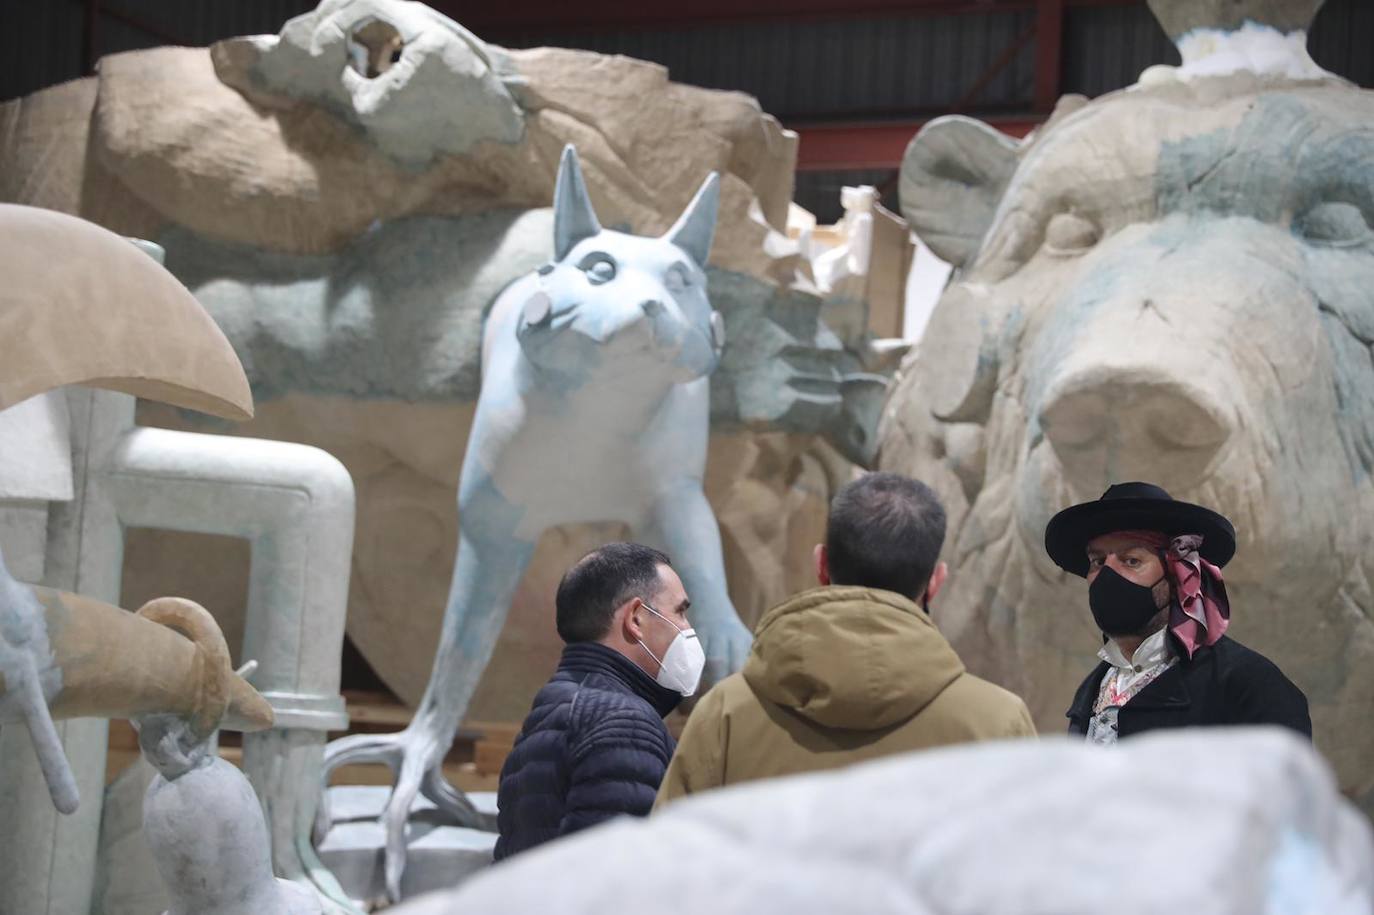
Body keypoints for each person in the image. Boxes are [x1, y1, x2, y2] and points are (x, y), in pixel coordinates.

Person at [655, 472, 1036, 806]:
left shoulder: (726, 713)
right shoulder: (997, 722)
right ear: (935, 581)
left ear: (821, 564)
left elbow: (666, 866)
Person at [1046, 481, 1311, 744]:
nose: (1108, 575)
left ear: (1177, 575)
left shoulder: (1247, 684)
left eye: (1132, 560)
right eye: (1098, 562)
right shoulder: (1093, 687)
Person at [494, 542, 704, 859]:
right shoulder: (623, 722)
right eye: (681, 611)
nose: (687, 628)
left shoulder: (557, 707)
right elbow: (614, 880)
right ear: (636, 618)